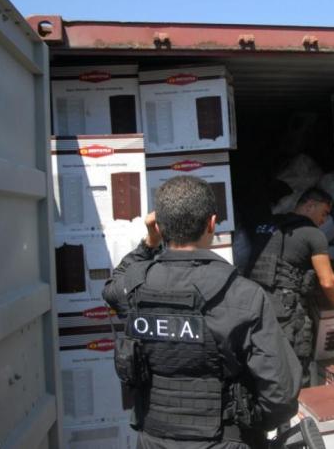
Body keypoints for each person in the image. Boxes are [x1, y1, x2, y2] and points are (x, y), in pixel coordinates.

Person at [103, 176, 301, 449]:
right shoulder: (243, 294)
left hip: (153, 440)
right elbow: (280, 395)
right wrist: (249, 426)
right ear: (212, 223)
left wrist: (149, 243)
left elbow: (112, 287)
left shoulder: (136, 285)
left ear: (158, 226)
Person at [245, 187, 334, 386]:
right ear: (310, 205)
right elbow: (328, 281)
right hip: (286, 314)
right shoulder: (313, 234)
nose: (324, 220)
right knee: (296, 372)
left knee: (263, 367)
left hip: (254, 307)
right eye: (324, 213)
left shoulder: (267, 225)